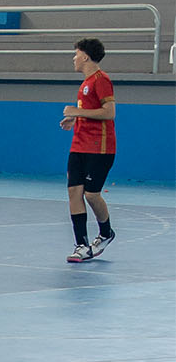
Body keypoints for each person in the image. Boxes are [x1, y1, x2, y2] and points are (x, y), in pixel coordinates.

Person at [60, 38, 117, 263]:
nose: (74, 58)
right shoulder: (85, 83)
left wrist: (78, 112)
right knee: (74, 192)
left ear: (85, 56)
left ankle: (105, 233)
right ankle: (81, 245)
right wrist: (73, 119)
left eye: (76, 54)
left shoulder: (101, 80)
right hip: (79, 145)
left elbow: (109, 112)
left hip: (99, 148)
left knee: (91, 194)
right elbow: (89, 111)